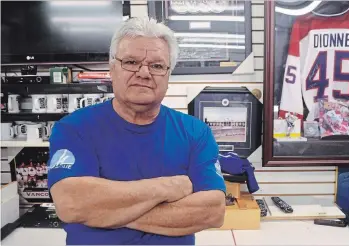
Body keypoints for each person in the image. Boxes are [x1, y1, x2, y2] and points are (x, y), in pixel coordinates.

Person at [47, 17, 226, 245]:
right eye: (131, 62)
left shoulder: (196, 133)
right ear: (112, 69)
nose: (144, 73)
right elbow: (72, 203)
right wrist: (169, 187)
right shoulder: (74, 129)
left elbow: (213, 211)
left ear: (168, 76)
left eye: (157, 65)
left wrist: (106, 211)